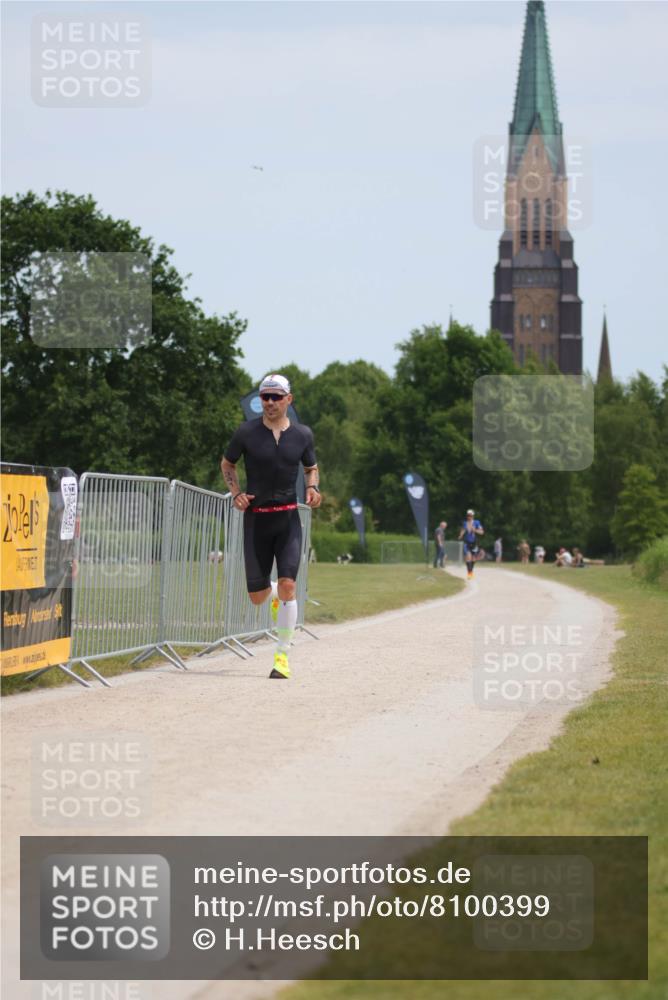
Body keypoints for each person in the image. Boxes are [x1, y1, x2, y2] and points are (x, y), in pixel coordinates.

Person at [220, 374, 321, 680]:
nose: (270, 402)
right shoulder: (246, 432)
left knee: (290, 584)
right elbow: (228, 464)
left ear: (289, 399)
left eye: (277, 397)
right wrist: (237, 494)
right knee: (258, 597)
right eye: (265, 397)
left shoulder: (303, 434)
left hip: (288, 518)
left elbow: (310, 466)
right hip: (257, 520)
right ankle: (275, 594)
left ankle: (282, 656)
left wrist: (313, 488)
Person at [458, 509, 484, 580]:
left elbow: (482, 532)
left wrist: (475, 530)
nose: (469, 517)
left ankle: (471, 571)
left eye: (470, 515)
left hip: (474, 543)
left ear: (473, 516)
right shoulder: (465, 523)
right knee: (468, 557)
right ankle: (469, 573)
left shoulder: (477, 522)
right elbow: (463, 530)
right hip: (467, 542)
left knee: (474, 559)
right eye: (468, 515)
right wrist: (461, 535)